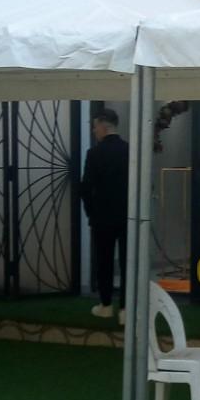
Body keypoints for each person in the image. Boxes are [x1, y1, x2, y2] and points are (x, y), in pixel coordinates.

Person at [80, 107, 129, 318]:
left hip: (102, 217)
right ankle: (126, 310)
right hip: (128, 216)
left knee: (104, 261)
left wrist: (91, 212)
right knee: (129, 263)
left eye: (95, 126)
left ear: (103, 125)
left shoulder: (94, 153)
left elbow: (85, 188)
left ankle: (106, 305)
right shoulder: (130, 150)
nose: (94, 131)